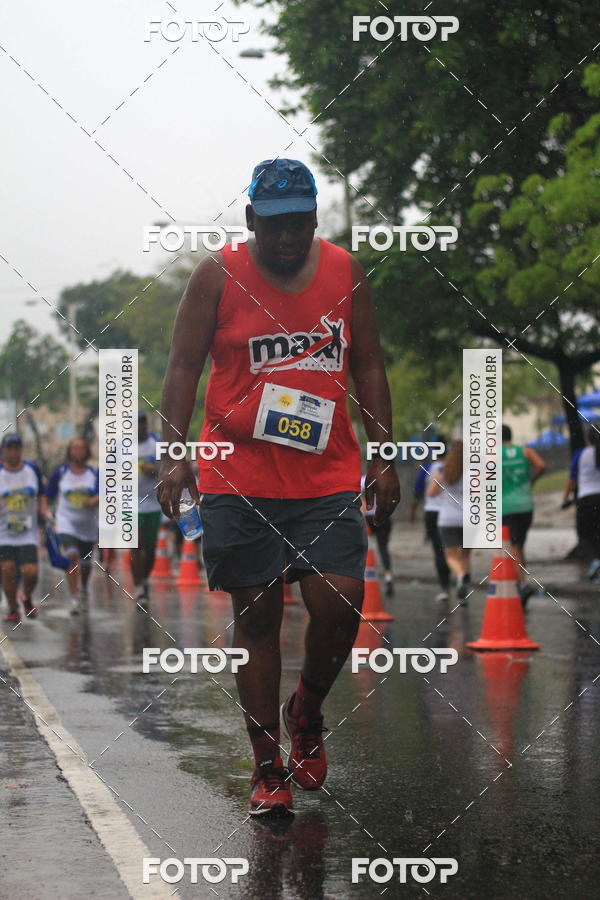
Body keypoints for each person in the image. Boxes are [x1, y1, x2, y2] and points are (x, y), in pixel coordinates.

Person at [158, 158, 400, 816]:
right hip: (238, 473)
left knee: (341, 604)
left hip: (324, 472)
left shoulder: (345, 272)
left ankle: (308, 710)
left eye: (300, 223)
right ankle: (267, 768)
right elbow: (183, 366)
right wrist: (175, 453)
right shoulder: (218, 275)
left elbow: (370, 364)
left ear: (315, 219)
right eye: (275, 225)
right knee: (258, 616)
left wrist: (382, 456)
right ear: (250, 221)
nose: (288, 238)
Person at [47, 438, 99, 615]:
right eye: (74, 448)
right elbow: (48, 497)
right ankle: (74, 598)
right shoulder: (60, 473)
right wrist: (47, 518)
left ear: (86, 451)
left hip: (88, 524)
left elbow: (106, 494)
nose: (77, 451)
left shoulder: (94, 473)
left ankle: (83, 590)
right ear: (69, 452)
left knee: (85, 563)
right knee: (71, 556)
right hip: (66, 521)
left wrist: (95, 499)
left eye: (81, 448)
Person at [0, 434, 48, 622]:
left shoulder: (32, 470)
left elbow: (42, 493)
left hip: (27, 531)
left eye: (17, 447)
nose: (13, 452)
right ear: (3, 451)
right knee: (8, 569)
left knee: (31, 572)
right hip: (4, 532)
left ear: (21, 449)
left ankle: (26, 597)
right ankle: (13, 608)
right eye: (9, 448)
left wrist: (43, 510)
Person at [501, 424, 546, 605]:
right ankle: (521, 581)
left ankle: (522, 584)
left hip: (506, 507)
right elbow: (542, 465)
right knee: (519, 544)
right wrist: (530, 480)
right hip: (526, 505)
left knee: (514, 546)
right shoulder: (524, 451)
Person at [428, 439, 471, 603]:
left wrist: (443, 492)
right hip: (468, 519)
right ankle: (464, 590)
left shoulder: (444, 471)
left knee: (451, 556)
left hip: (447, 519)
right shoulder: (473, 472)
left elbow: (431, 493)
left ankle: (460, 576)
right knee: (465, 556)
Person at [409, 437, 450, 601]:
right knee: (454, 550)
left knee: (438, 551)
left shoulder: (427, 468)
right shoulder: (456, 467)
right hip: (452, 513)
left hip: (432, 513)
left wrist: (412, 511)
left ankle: (445, 588)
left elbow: (417, 492)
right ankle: (461, 578)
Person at [563, 425, 600, 581]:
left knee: (585, 534)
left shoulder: (580, 454)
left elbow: (572, 479)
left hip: (586, 500)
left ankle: (596, 561)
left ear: (588, 439)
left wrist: (565, 498)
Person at [133, 412, 161, 605]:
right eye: (136, 423)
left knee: (150, 549)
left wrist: (154, 470)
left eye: (143, 422)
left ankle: (144, 579)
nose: (140, 426)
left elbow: (171, 467)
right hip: (129, 504)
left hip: (153, 503)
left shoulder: (157, 443)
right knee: (136, 544)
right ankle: (139, 589)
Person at [361, 473, 394, 596]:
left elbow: (362, 501)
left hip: (369, 517)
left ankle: (363, 578)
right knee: (383, 548)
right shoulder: (387, 479)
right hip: (383, 516)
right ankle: (388, 577)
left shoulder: (363, 480)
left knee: (364, 549)